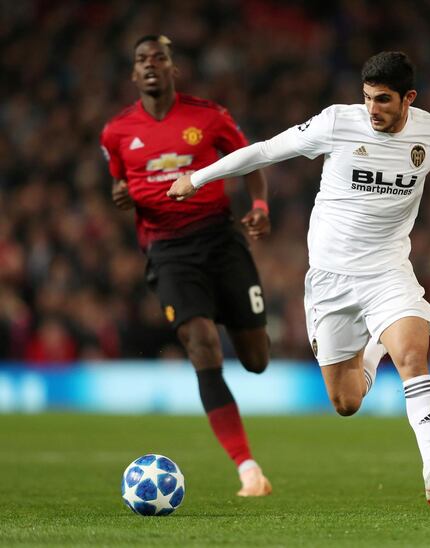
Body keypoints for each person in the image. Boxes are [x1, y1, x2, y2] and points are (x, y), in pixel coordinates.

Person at [167, 51, 430, 506]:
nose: (373, 109)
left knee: (414, 358)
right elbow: (265, 150)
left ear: (408, 99)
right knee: (346, 401)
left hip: (387, 272)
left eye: (383, 100)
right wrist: (197, 178)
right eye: (367, 98)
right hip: (331, 280)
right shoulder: (338, 122)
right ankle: (373, 351)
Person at [100, 35, 273, 497]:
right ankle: (248, 469)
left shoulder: (209, 116)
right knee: (201, 346)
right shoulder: (116, 132)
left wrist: (258, 203)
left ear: (174, 69)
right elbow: (119, 184)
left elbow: (250, 159)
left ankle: (240, 330)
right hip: (168, 251)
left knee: (256, 360)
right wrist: (119, 194)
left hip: (221, 241)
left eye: (160, 57)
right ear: (134, 75)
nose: (151, 65)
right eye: (142, 60)